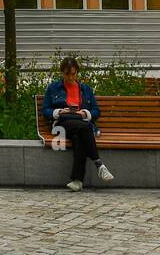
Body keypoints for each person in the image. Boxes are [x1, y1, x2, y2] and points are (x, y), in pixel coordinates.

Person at [43, 57, 114, 191]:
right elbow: (46, 110)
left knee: (79, 138)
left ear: (77, 73)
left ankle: (77, 181)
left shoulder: (85, 89)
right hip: (62, 123)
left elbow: (96, 111)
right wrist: (58, 111)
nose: (70, 77)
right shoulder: (53, 88)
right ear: (62, 73)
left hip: (80, 123)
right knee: (86, 127)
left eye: (73, 74)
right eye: (67, 74)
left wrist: (85, 113)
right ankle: (99, 164)